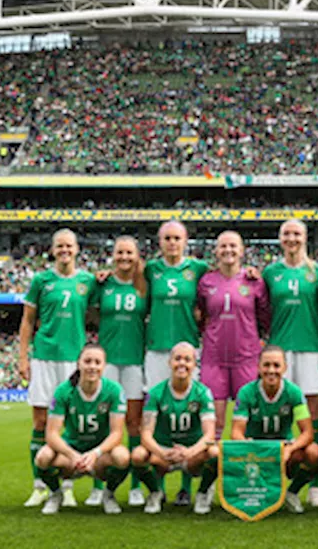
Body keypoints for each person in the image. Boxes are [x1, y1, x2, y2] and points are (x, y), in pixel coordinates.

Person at [18, 229, 98, 509]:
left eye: (69, 246)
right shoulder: (41, 281)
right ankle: (40, 485)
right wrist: (23, 358)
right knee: (40, 422)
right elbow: (27, 322)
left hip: (73, 359)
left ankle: (67, 486)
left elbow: (101, 310)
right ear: (53, 250)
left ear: (77, 249)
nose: (65, 250)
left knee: (71, 424)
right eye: (59, 246)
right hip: (44, 357)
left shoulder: (88, 281)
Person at [259, 219, 318, 507]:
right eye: (286, 233)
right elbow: (260, 307)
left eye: (296, 233)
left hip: (311, 350)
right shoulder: (270, 273)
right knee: (271, 414)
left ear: (305, 238)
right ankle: (266, 482)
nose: (292, 238)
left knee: (313, 419)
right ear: (280, 239)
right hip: (278, 353)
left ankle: (314, 486)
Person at [144, 220, 210, 506]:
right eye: (167, 238)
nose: (172, 243)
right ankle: (154, 487)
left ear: (186, 241)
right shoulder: (149, 269)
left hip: (187, 349)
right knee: (159, 416)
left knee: (189, 414)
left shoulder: (198, 269)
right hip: (157, 349)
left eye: (177, 238)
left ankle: (185, 485)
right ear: (160, 242)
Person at [34, 344, 131, 515]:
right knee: (43, 457)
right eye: (87, 361)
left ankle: (109, 494)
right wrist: (73, 455)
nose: (92, 366)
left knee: (122, 457)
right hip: (71, 453)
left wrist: (95, 454)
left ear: (104, 366)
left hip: (99, 454)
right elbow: (51, 434)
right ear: (78, 364)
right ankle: (56, 494)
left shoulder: (114, 391)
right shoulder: (64, 391)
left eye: (97, 362)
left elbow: (117, 433)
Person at [230, 346, 318, 514]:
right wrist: (249, 446)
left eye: (276, 365)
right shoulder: (246, 392)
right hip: (256, 450)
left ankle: (292, 493)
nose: (271, 370)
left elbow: (307, 432)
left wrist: (290, 449)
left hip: (284, 448)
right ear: (258, 367)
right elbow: (236, 432)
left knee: (314, 453)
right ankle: (249, 492)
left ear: (285, 368)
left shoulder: (293, 392)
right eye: (266, 365)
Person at [131, 342, 220, 515]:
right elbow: (146, 434)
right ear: (169, 362)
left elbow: (209, 434)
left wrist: (190, 452)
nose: (182, 363)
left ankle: (202, 493)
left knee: (216, 453)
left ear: (195, 364)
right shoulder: (156, 393)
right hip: (164, 451)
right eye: (177, 358)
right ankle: (155, 492)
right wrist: (162, 452)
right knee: (138, 455)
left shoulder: (203, 393)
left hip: (191, 452)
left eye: (187, 360)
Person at [98, 236, 150, 506]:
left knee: (133, 424)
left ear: (137, 255)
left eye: (129, 253)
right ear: (113, 255)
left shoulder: (145, 286)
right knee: (105, 422)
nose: (124, 257)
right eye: (120, 253)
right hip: (106, 362)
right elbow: (91, 314)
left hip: (134, 361)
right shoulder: (102, 284)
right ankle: (99, 485)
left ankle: (135, 485)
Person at [197, 231, 269, 425]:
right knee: (214, 421)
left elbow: (265, 316)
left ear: (242, 251)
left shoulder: (255, 281)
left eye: (233, 246)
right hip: (214, 358)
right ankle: (214, 455)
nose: (228, 250)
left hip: (246, 358)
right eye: (223, 246)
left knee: (247, 420)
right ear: (216, 251)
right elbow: (200, 314)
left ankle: (249, 456)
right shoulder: (206, 282)